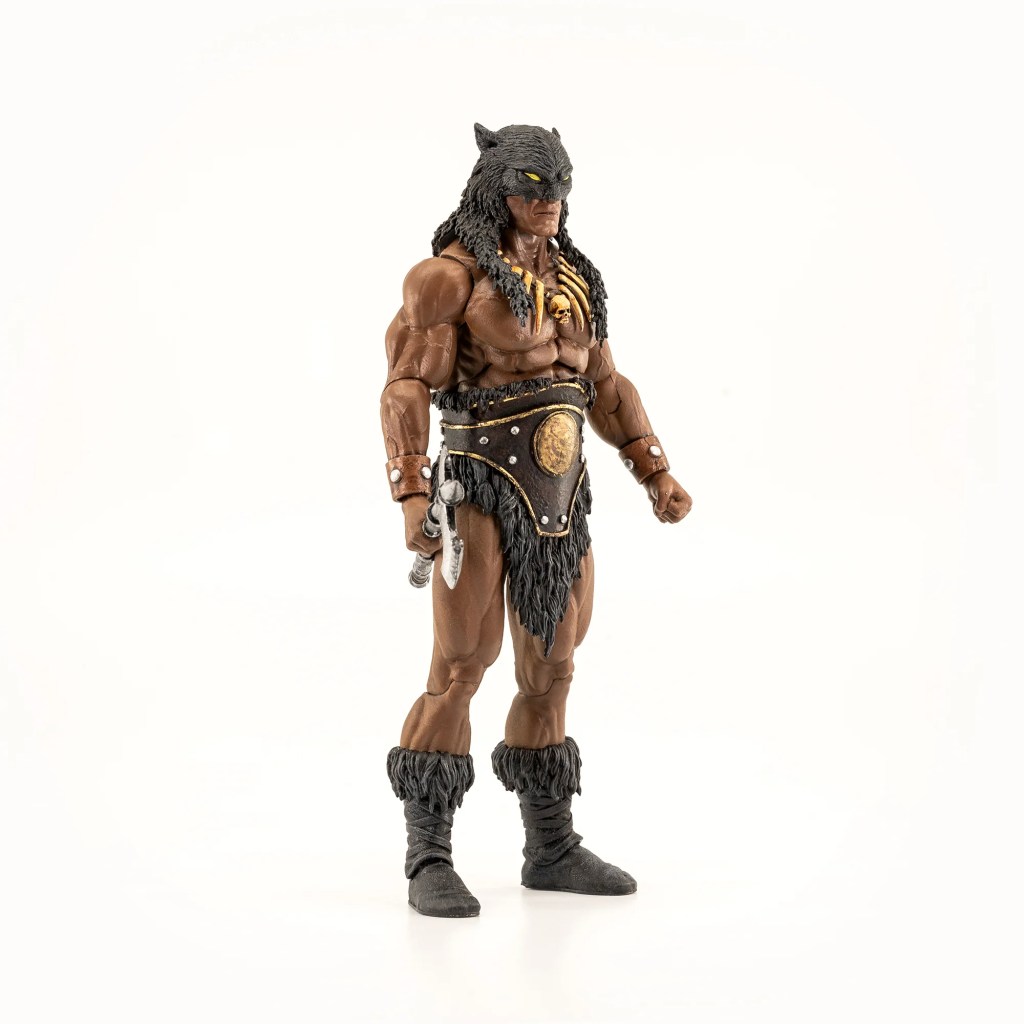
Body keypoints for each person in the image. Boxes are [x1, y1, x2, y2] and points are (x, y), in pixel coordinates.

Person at [381, 123, 692, 917]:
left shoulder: (577, 278)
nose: (549, 199)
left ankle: (549, 847)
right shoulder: (447, 280)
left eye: (560, 184)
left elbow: (606, 386)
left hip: (561, 496)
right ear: (496, 185)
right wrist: (412, 491)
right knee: (461, 665)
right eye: (531, 184)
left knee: (553, 666)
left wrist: (654, 469)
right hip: (480, 491)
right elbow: (407, 385)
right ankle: (429, 854)